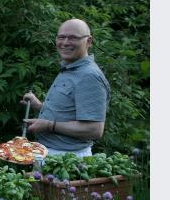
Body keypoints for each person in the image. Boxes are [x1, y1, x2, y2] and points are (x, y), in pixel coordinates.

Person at [21, 18, 110, 157]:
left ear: (89, 41)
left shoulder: (89, 76)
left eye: (73, 38)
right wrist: (39, 105)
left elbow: (94, 129)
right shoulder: (70, 68)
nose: (65, 42)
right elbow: (69, 111)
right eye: (61, 37)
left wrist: (49, 125)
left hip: (68, 159)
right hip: (49, 153)